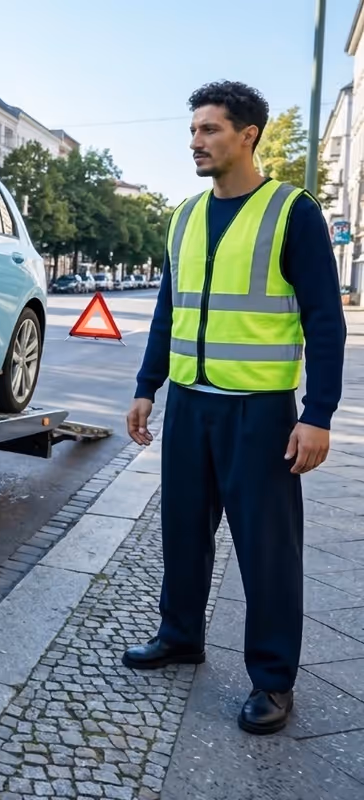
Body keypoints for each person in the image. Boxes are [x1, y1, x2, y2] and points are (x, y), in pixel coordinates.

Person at [122, 80, 347, 735]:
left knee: (267, 549)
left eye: (210, 129)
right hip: (191, 406)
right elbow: (169, 310)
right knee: (183, 533)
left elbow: (324, 321)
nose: (195, 141)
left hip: (261, 413)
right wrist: (147, 385)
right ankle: (180, 635)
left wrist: (319, 413)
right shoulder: (184, 215)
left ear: (247, 135)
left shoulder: (291, 212)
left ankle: (273, 681)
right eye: (193, 130)